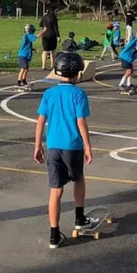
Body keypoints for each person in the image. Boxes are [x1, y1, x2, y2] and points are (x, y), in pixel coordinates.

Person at [33, 52, 92, 249]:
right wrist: (88, 145)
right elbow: (80, 121)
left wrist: (37, 145)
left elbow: (40, 121)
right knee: (78, 179)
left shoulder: (49, 93)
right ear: (77, 72)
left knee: (55, 190)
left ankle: (54, 235)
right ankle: (79, 218)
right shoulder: (78, 94)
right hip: (72, 145)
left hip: (52, 146)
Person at [17, 24, 45, 89]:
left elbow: (27, 46)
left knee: (26, 68)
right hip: (23, 55)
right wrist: (44, 30)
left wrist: (33, 49)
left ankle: (23, 80)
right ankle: (19, 81)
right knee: (24, 68)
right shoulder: (28, 36)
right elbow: (37, 36)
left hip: (25, 55)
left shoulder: (27, 36)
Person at [39, 5, 60, 70]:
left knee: (45, 51)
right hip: (52, 35)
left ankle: (43, 66)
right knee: (52, 51)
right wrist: (58, 36)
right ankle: (52, 65)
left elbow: (40, 25)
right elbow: (55, 27)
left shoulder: (44, 17)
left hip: (45, 36)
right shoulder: (54, 17)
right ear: (53, 11)